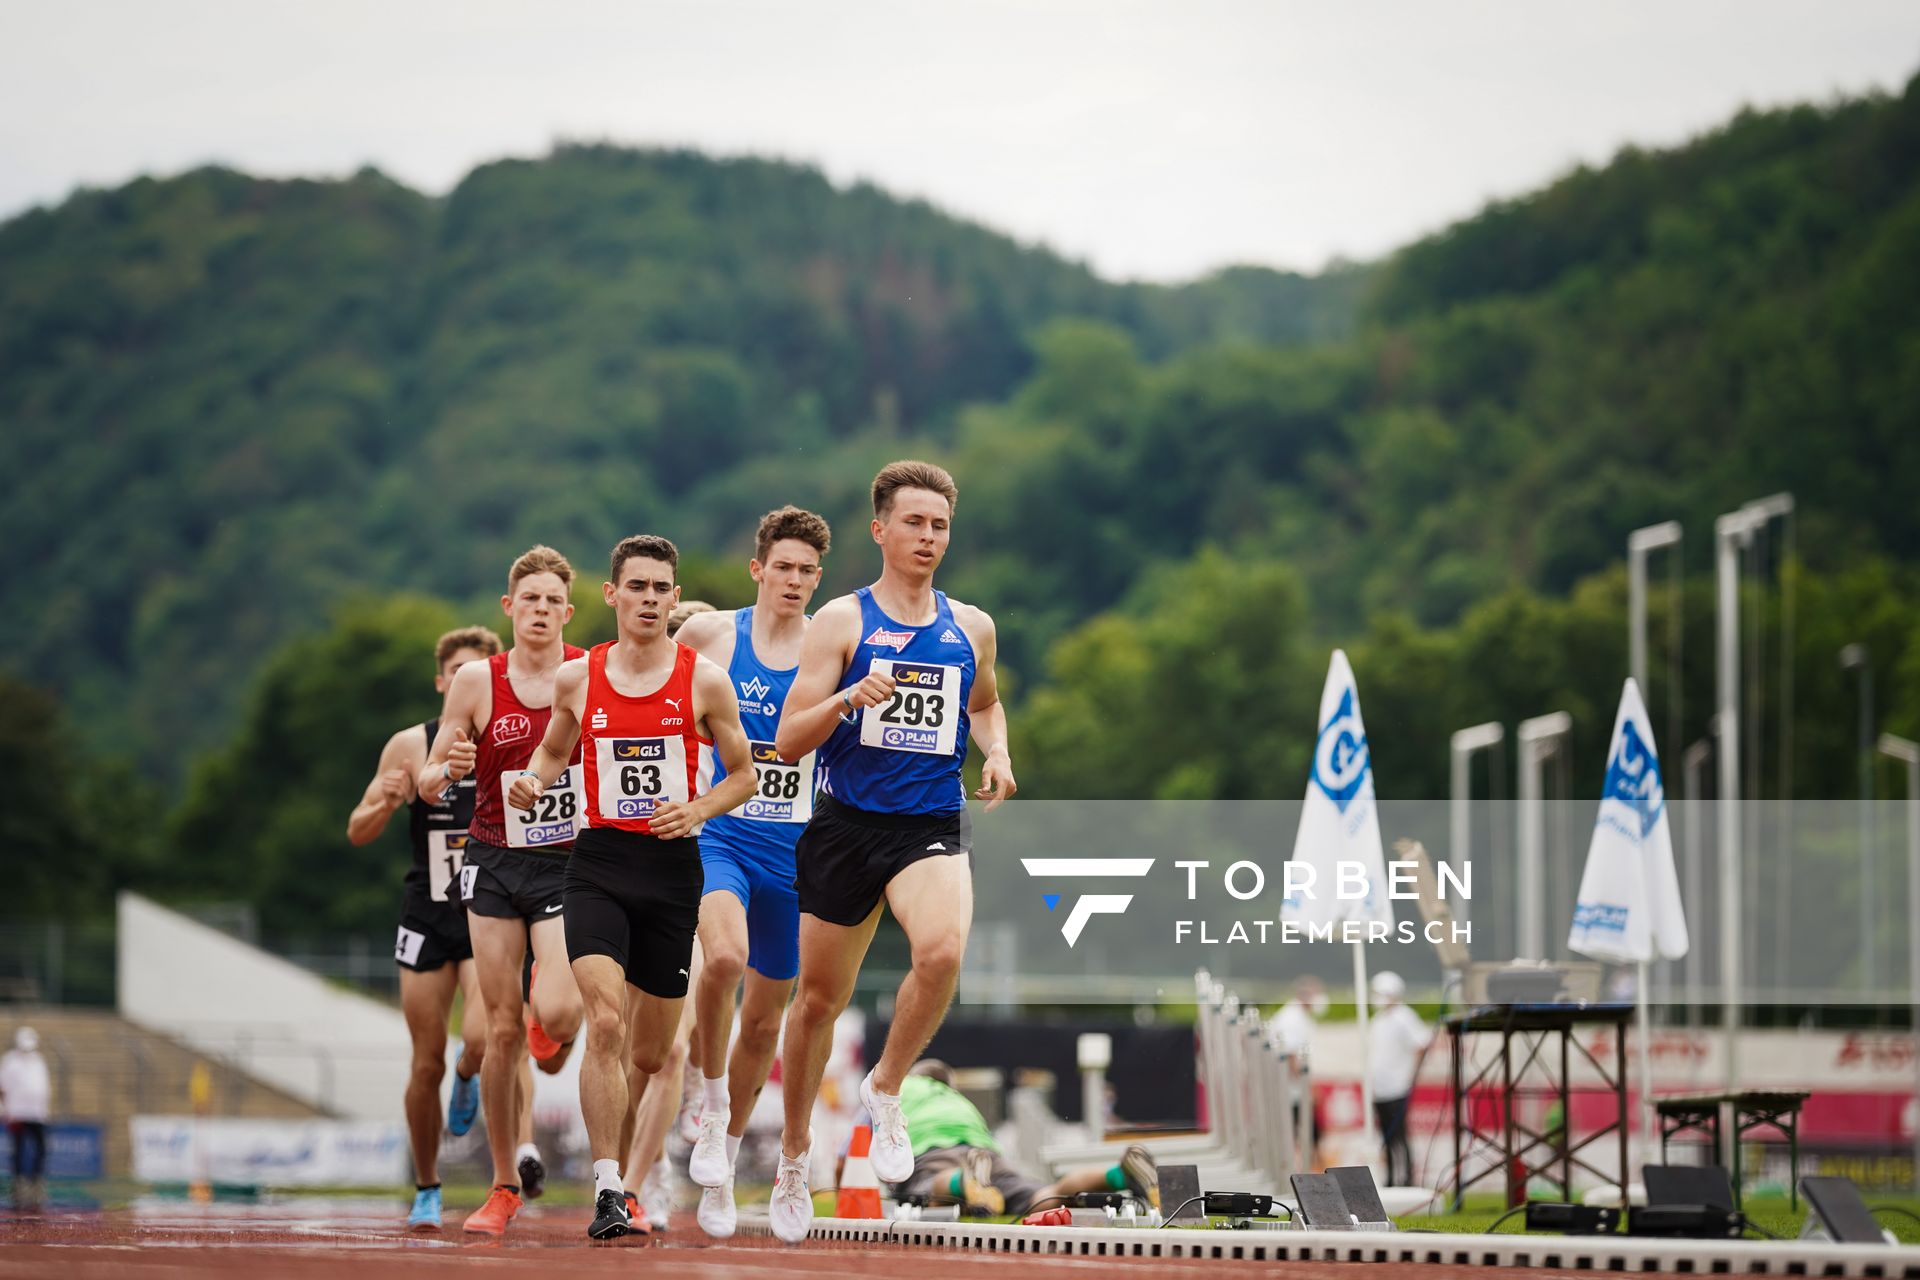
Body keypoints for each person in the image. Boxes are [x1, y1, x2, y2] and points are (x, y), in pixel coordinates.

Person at [767, 460, 1016, 1244]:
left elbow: (985, 700)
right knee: (816, 1003)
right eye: (914, 522)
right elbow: (784, 740)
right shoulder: (841, 622)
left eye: (939, 525)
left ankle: (887, 1086)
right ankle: (795, 1153)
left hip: (930, 824)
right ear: (881, 529)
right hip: (846, 826)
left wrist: (998, 752)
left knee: (941, 952)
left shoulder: (970, 625)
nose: (928, 537)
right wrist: (848, 696)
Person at [508, 534, 758, 1240]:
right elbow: (556, 748)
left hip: (672, 869)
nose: (649, 599)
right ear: (612, 595)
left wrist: (700, 808)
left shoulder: (704, 680)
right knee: (607, 1024)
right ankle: (610, 1189)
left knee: (652, 1054)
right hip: (599, 863)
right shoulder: (579, 678)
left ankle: (619, 1133)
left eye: (661, 589)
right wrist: (534, 778)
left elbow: (744, 774)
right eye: (637, 587)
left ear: (675, 598)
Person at [419, 546, 588, 1237]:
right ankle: (501, 1186)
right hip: (491, 862)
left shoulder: (587, 674)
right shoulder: (476, 683)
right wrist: (448, 767)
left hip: (566, 864)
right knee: (498, 1030)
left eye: (554, 600)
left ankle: (557, 1029)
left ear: (569, 612)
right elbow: (430, 781)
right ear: (508, 607)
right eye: (531, 599)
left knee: (561, 1012)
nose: (541, 610)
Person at [674, 506, 832, 1238]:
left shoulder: (833, 646)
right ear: (757, 569)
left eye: (808, 571)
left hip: (797, 854)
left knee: (766, 1018)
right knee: (724, 957)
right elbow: (642, 691)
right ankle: (708, 1107)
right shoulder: (710, 636)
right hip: (722, 835)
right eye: (784, 567)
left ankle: (727, 1155)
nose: (794, 581)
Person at [348, 624, 504, 1229]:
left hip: (486, 908)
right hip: (426, 914)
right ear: (443, 682)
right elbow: (357, 829)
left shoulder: (508, 739)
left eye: (481, 672)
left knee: (486, 1039)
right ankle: (427, 1187)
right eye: (460, 673)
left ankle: (470, 1075)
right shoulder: (410, 746)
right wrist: (384, 802)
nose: (469, 682)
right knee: (424, 1062)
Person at [870, 1061, 1157, 1218]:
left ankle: (962, 1180)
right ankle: (1119, 1174)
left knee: (933, 1191)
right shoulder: (958, 1100)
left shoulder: (895, 1089)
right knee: (1045, 1196)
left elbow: (859, 1147)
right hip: (984, 1152)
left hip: (928, 1152)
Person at [1367, 970, 1431, 1187]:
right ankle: (1392, 1179)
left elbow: (1421, 1043)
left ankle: (1406, 1180)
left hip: (1397, 1086)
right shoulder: (1378, 1019)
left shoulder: (1404, 1016)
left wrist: (1411, 1075)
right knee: (1386, 1135)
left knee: (1399, 1135)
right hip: (1380, 1088)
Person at [1, 1027, 51, 1209]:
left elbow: (43, 1087)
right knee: (19, 1148)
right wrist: (6, 1109)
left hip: (37, 1113)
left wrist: (45, 1110)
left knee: (41, 1147)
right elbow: (3, 1087)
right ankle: (19, 1181)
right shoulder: (10, 1061)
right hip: (17, 1112)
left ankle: (35, 1180)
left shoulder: (38, 1060)